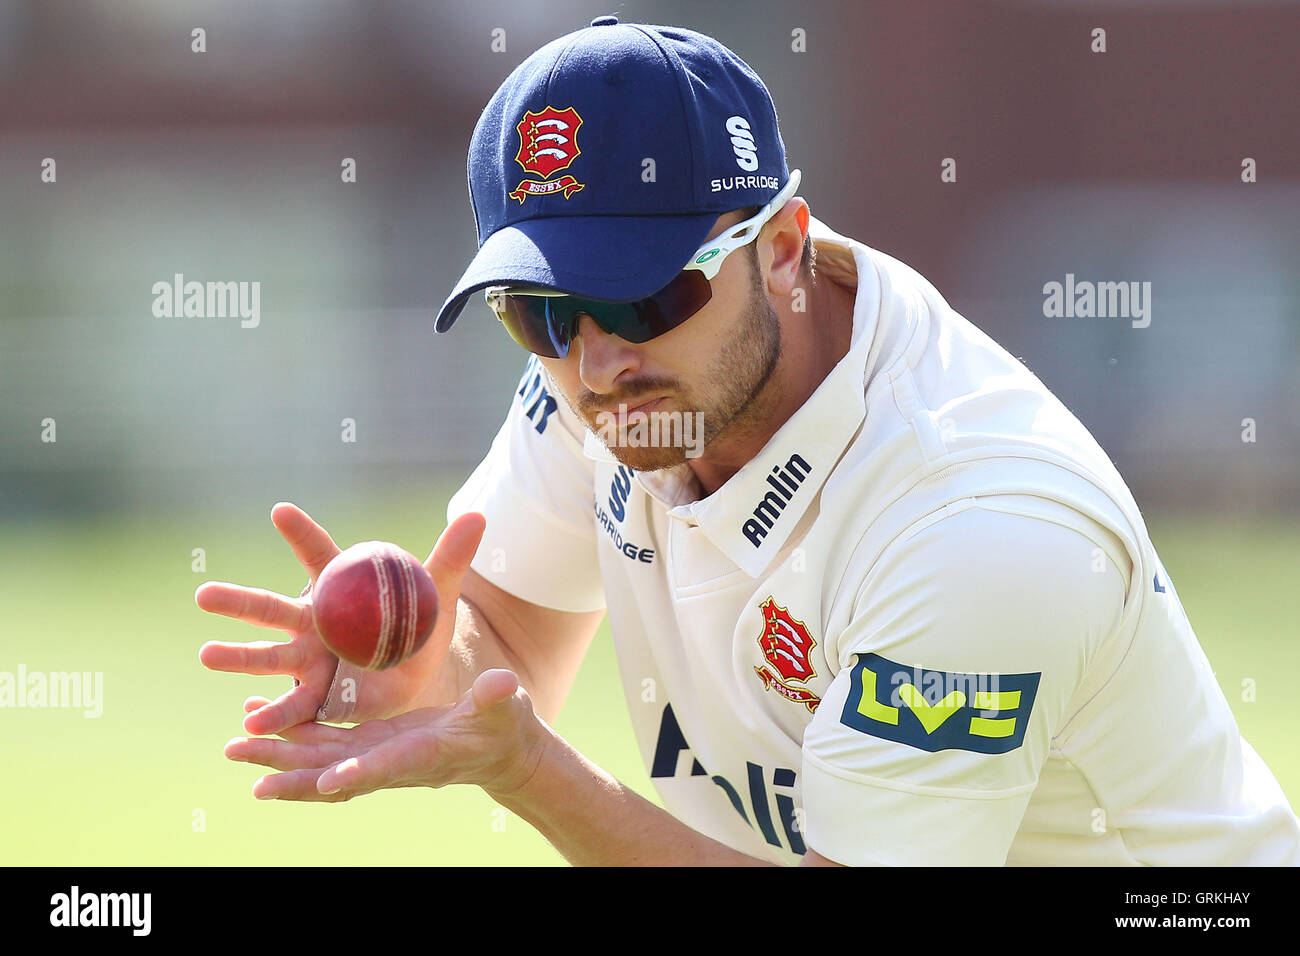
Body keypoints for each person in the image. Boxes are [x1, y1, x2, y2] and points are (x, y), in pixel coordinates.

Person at [196, 17, 1300, 866]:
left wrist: (530, 771)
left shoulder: (975, 527)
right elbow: (504, 632)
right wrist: (438, 668)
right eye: (538, 311)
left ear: (781, 249)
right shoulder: (619, 388)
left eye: (644, 296)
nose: (594, 362)